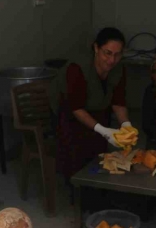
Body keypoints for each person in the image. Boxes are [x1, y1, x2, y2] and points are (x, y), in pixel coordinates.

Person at [51, 27, 134, 181]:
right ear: (96, 48)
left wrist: (126, 124)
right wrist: (103, 130)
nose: (111, 60)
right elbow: (76, 107)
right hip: (70, 114)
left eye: (117, 55)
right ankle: (76, 188)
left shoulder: (119, 69)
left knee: (101, 154)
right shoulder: (77, 68)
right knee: (77, 153)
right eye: (107, 53)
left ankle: (98, 185)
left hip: (97, 110)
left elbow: (118, 101)